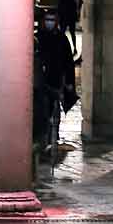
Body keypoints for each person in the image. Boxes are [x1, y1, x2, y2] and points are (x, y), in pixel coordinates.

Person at [35, 10, 76, 154]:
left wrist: (69, 82)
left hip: (55, 80)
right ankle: (43, 137)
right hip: (41, 81)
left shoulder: (62, 39)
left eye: (52, 19)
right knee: (42, 109)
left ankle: (53, 136)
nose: (49, 22)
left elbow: (68, 62)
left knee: (54, 109)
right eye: (47, 19)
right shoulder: (38, 37)